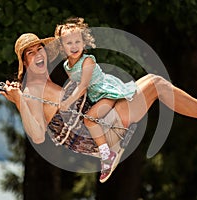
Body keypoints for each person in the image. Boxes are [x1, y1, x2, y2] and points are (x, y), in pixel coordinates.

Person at [0, 32, 197, 183]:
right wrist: (19, 101)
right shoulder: (30, 91)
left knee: (153, 84)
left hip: (102, 118)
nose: (37, 54)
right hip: (95, 134)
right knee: (156, 84)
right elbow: (37, 134)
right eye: (29, 54)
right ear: (25, 62)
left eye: (38, 49)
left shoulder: (47, 82)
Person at [53, 17, 138, 182]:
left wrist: (67, 102)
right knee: (87, 118)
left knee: (90, 121)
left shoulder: (88, 61)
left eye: (78, 41)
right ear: (62, 47)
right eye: (69, 43)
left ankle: (107, 154)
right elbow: (74, 84)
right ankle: (109, 142)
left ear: (84, 43)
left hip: (105, 92)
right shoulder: (66, 66)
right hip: (93, 96)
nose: (74, 46)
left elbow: (83, 85)